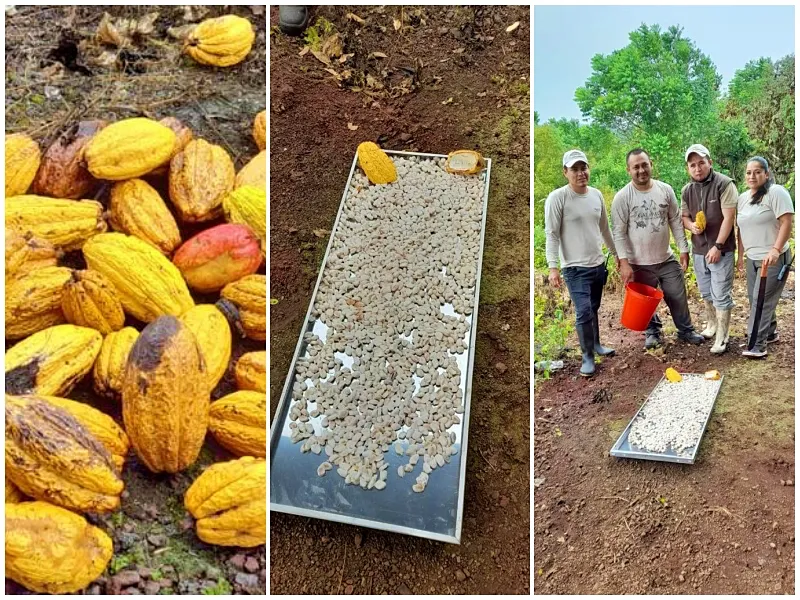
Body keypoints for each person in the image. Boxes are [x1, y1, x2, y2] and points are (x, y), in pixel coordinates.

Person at [611, 148, 705, 349]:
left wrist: (683, 249)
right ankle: (652, 332)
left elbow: (675, 221)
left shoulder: (665, 190)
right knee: (645, 301)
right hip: (638, 263)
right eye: (636, 167)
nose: (641, 170)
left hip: (665, 258)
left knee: (676, 294)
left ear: (651, 164)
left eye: (644, 165)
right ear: (628, 170)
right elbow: (618, 233)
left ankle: (686, 330)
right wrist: (625, 263)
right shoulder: (622, 198)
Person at [545, 149, 618, 378]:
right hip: (574, 268)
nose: (580, 173)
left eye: (583, 168)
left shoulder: (596, 195)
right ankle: (587, 355)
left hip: (597, 264)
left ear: (589, 169)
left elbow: (605, 228)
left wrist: (617, 254)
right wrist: (553, 266)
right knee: (583, 310)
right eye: (574, 169)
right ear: (565, 172)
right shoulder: (558, 198)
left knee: (593, 308)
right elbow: (552, 234)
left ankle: (596, 344)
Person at [680, 144, 738, 354]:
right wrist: (690, 226)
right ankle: (712, 324)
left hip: (720, 249)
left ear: (710, 163)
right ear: (688, 168)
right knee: (706, 291)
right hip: (698, 250)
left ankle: (722, 336)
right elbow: (684, 216)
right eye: (692, 165)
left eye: (701, 163)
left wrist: (718, 246)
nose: (697, 168)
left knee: (721, 293)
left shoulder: (724, 184)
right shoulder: (687, 190)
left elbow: (729, 218)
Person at [736, 156, 794, 358]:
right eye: (749, 172)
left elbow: (787, 222)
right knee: (756, 299)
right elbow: (741, 228)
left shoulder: (776, 192)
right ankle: (769, 332)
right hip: (753, 257)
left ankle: (756, 344)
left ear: (766, 174)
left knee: (762, 299)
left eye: (758, 171)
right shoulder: (743, 198)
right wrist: (741, 256)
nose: (752, 175)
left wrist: (776, 250)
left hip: (773, 258)